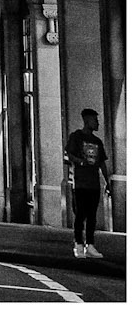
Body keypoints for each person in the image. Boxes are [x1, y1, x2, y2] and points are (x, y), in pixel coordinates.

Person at [65, 107, 112, 259]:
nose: (97, 123)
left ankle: (90, 245)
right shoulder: (76, 137)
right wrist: (81, 162)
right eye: (95, 120)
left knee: (92, 215)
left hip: (94, 183)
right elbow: (69, 155)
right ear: (87, 121)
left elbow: (102, 163)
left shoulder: (97, 141)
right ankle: (78, 244)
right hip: (80, 182)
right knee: (80, 214)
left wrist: (107, 181)